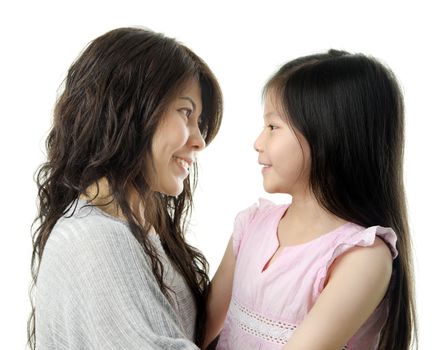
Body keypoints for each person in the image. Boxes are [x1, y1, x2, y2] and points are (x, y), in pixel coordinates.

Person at [204, 50, 417, 350]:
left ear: (327, 135)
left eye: (273, 127)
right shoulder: (251, 225)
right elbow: (199, 330)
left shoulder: (362, 257)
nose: (258, 143)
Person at [28, 27, 222, 349]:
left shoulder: (134, 230)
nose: (199, 140)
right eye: (186, 113)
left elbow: (187, 332)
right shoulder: (96, 238)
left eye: (199, 122)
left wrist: (247, 237)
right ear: (128, 110)